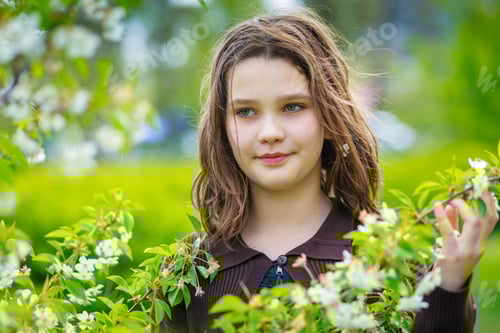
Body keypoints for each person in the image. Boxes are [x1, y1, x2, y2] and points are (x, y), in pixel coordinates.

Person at [161, 7, 498, 333]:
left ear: (329, 114)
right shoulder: (190, 271)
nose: (269, 133)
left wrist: (450, 287)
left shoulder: (390, 255)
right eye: (246, 112)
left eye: (293, 106)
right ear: (222, 126)